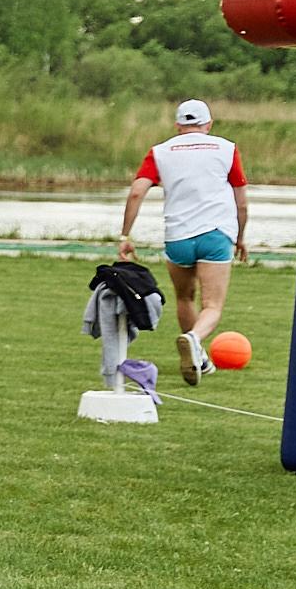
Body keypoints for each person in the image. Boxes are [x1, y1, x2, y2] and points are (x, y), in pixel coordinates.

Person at [116, 99, 248, 385]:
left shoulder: (160, 152)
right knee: (212, 306)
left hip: (177, 238)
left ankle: (198, 359)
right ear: (209, 124)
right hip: (215, 234)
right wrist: (239, 238)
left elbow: (137, 192)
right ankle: (193, 339)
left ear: (177, 125)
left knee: (185, 298)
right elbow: (241, 202)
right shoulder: (227, 148)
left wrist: (125, 236)